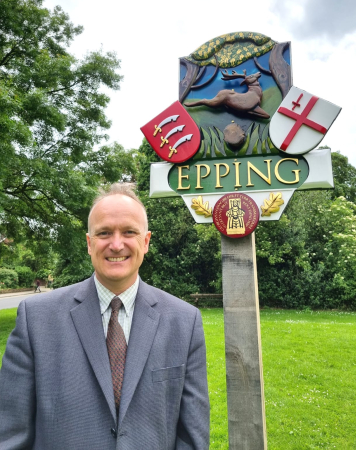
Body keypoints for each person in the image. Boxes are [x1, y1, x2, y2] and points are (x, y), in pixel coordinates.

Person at [0, 183, 210, 449]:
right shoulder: (36, 319)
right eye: (104, 233)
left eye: (129, 232)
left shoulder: (184, 321)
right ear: (89, 243)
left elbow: (192, 437)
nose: (116, 244)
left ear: (145, 242)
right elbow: (10, 434)